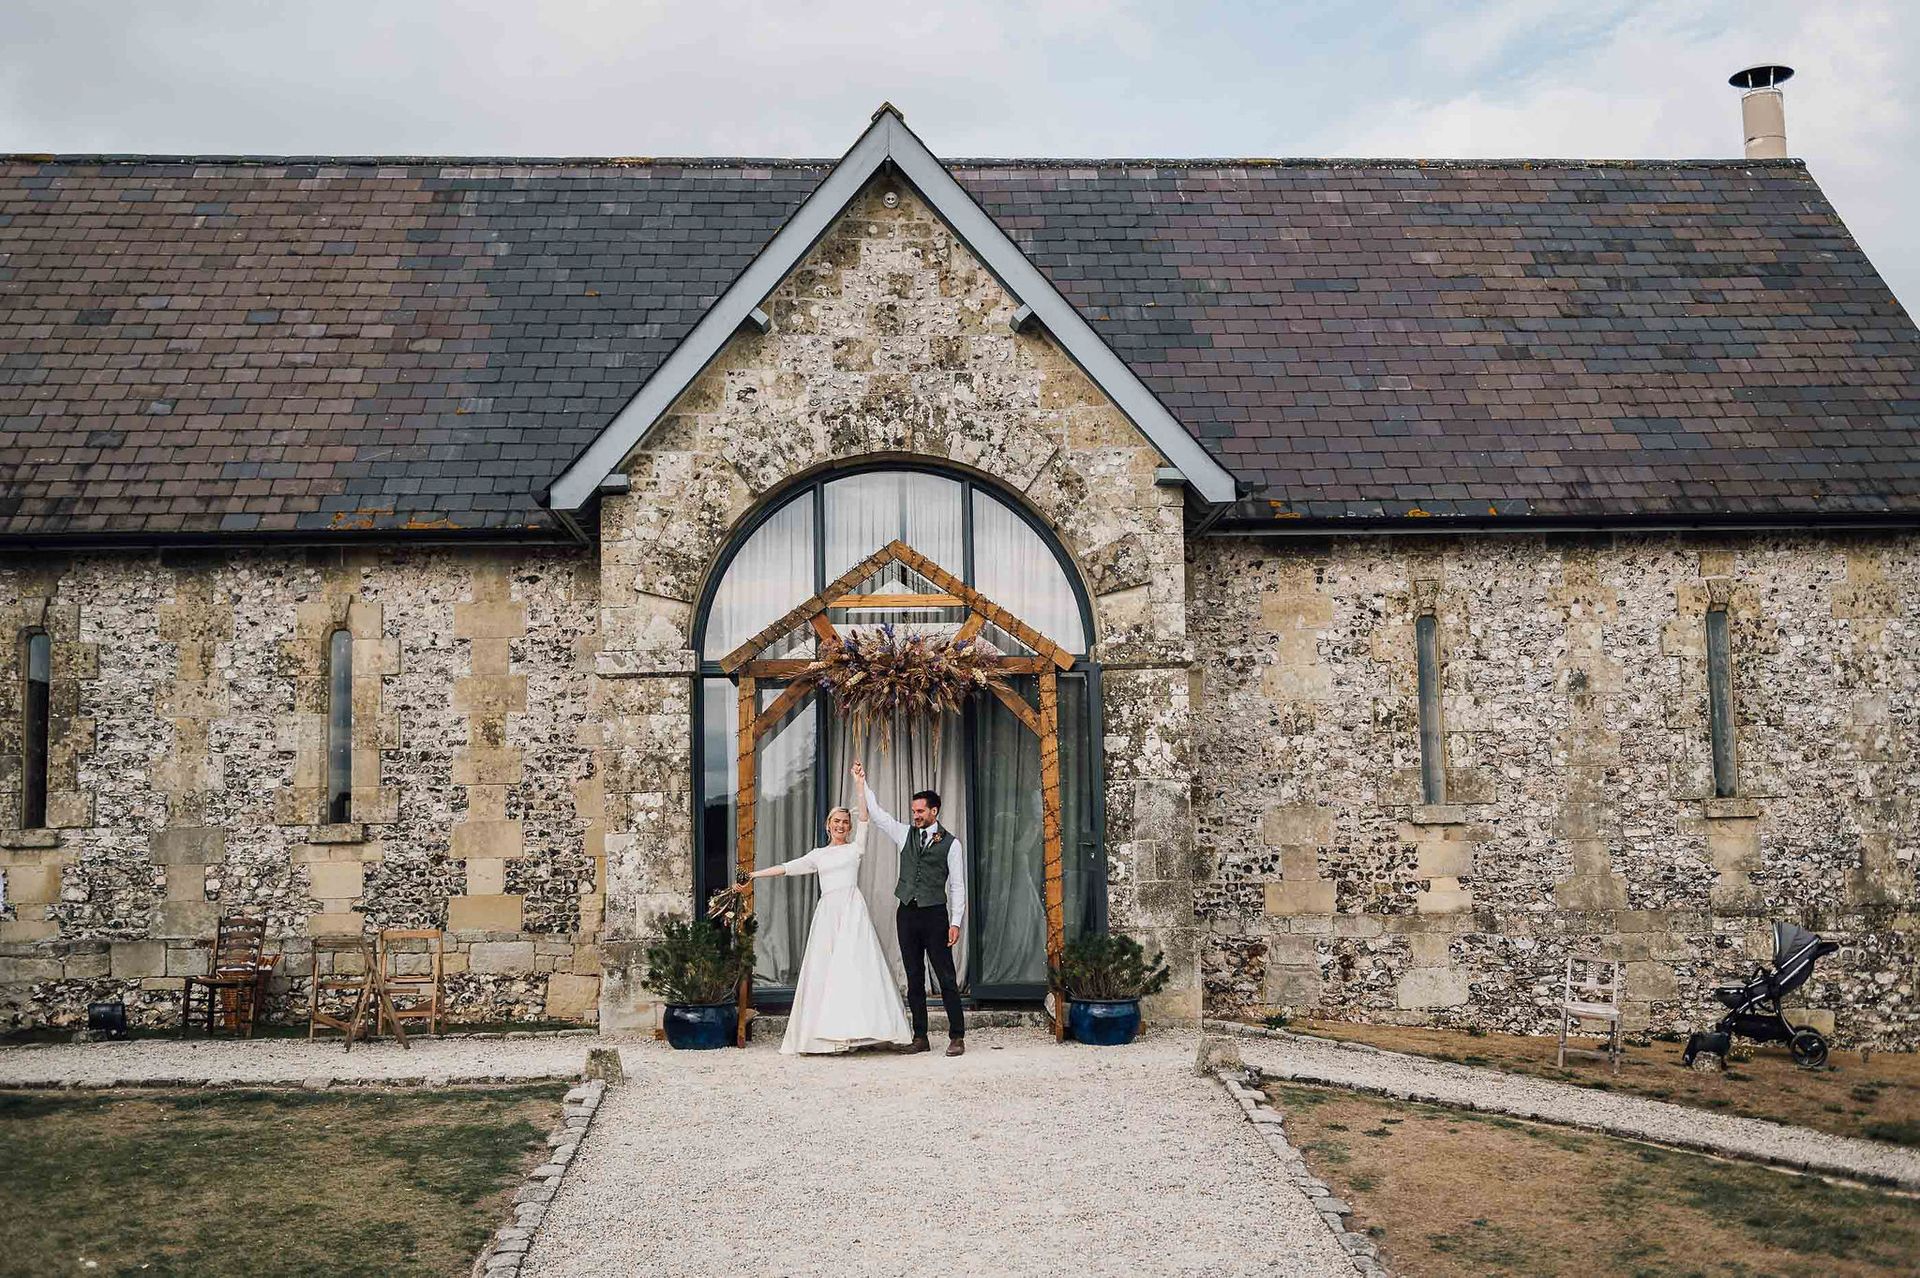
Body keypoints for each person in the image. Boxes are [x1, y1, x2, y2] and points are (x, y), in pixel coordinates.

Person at [740, 802, 912, 1055]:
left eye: (845, 822)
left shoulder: (856, 849)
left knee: (855, 968)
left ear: (849, 827)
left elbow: (865, 818)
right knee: (826, 970)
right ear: (828, 826)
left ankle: (862, 1030)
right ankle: (828, 1035)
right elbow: (788, 867)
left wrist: (860, 784)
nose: (841, 825)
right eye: (836, 822)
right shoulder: (818, 855)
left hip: (853, 911)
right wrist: (753, 875)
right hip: (828, 913)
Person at [853, 760, 966, 1057]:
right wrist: (862, 783)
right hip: (907, 912)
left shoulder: (952, 845)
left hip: (935, 914)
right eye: (913, 811)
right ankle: (921, 1036)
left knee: (946, 976)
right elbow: (878, 816)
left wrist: (956, 922)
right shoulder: (905, 834)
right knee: (914, 975)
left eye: (920, 811)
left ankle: (957, 1036)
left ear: (934, 811)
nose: (915, 815)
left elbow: (957, 886)